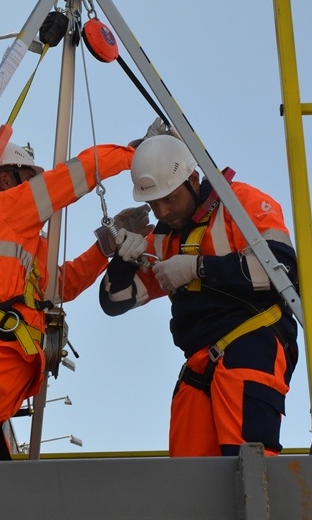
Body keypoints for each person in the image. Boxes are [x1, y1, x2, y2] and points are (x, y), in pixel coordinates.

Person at [0, 140, 140, 462]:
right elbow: (76, 175)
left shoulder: (21, 243)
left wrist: (107, 243)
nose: (36, 186)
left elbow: (62, 285)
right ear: (6, 180)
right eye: (30, 177)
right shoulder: (1, 209)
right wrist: (134, 155)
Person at [99, 135, 299, 457]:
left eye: (170, 199)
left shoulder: (241, 202)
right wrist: (123, 259)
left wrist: (198, 268)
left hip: (253, 344)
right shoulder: (162, 239)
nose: (162, 212)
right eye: (153, 204)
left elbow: (284, 272)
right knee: (189, 482)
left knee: (247, 467)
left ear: (193, 180)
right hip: (197, 364)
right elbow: (115, 300)